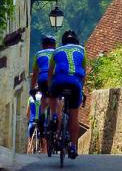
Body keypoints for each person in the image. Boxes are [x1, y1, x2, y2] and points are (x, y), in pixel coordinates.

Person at [48, 30, 86, 159]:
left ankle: (54, 115)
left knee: (53, 97)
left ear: (63, 42)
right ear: (76, 41)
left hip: (58, 81)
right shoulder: (82, 50)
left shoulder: (56, 51)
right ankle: (73, 147)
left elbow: (50, 72)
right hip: (75, 83)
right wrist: (81, 89)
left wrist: (49, 87)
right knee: (74, 116)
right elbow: (84, 74)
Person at [30, 35, 57, 147]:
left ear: (42, 45)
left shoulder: (38, 54)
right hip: (54, 78)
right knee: (55, 100)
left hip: (42, 80)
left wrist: (32, 88)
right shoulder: (57, 53)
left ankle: (41, 116)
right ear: (54, 45)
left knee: (43, 102)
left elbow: (35, 74)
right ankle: (54, 117)